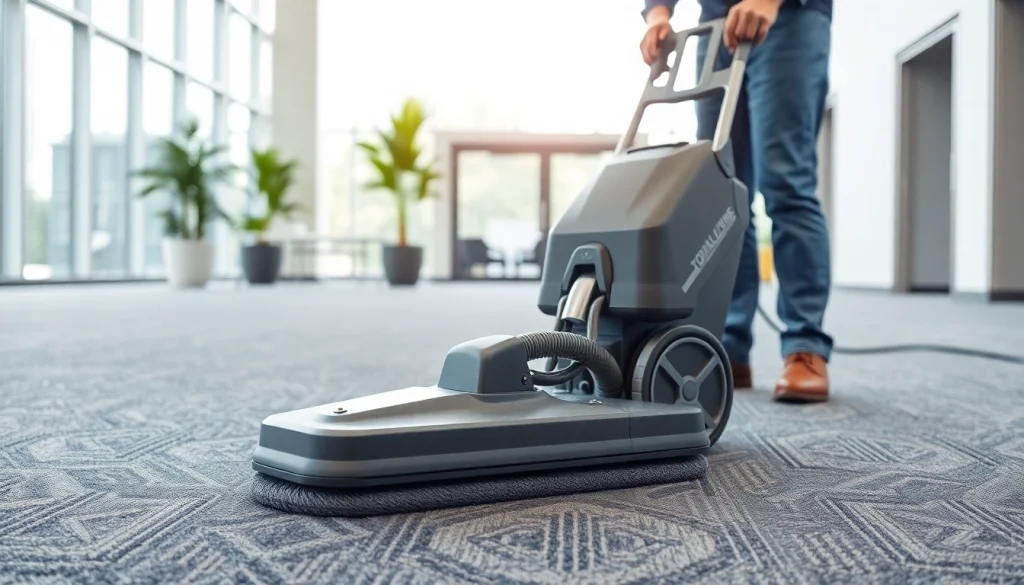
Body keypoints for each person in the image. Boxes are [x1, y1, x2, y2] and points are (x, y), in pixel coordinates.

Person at [639, 0, 835, 402]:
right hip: (715, 26)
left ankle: (805, 348)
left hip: (789, 18)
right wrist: (658, 12)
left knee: (787, 184)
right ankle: (728, 345)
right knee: (722, 190)